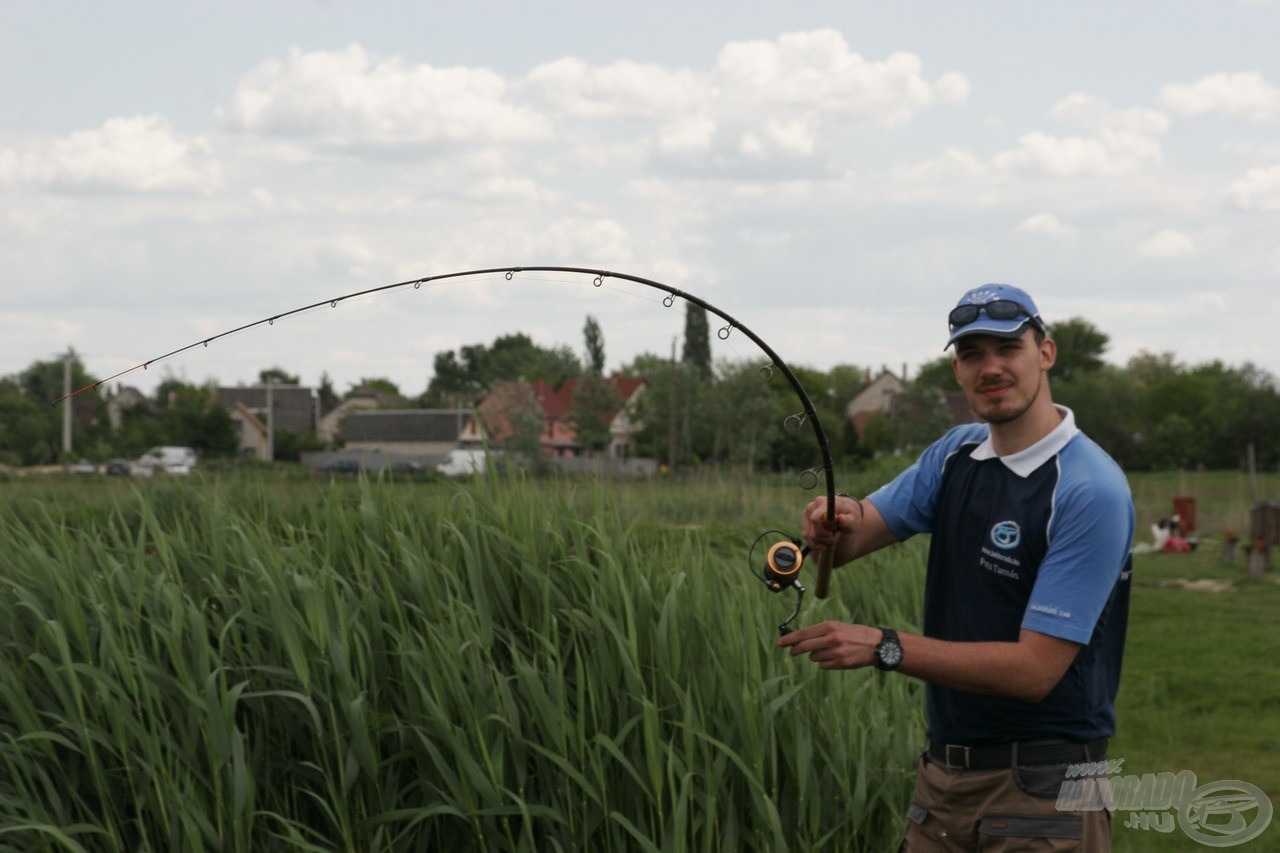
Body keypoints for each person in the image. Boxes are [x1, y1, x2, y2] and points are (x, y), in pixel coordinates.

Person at [778, 284, 1134, 851]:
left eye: (1007, 348)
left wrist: (883, 646)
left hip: (1047, 791)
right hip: (943, 781)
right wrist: (832, 523)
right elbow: (852, 536)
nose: (989, 367)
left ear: (1046, 353)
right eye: (971, 354)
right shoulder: (954, 453)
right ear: (957, 371)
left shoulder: (1090, 489)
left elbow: (1035, 671)